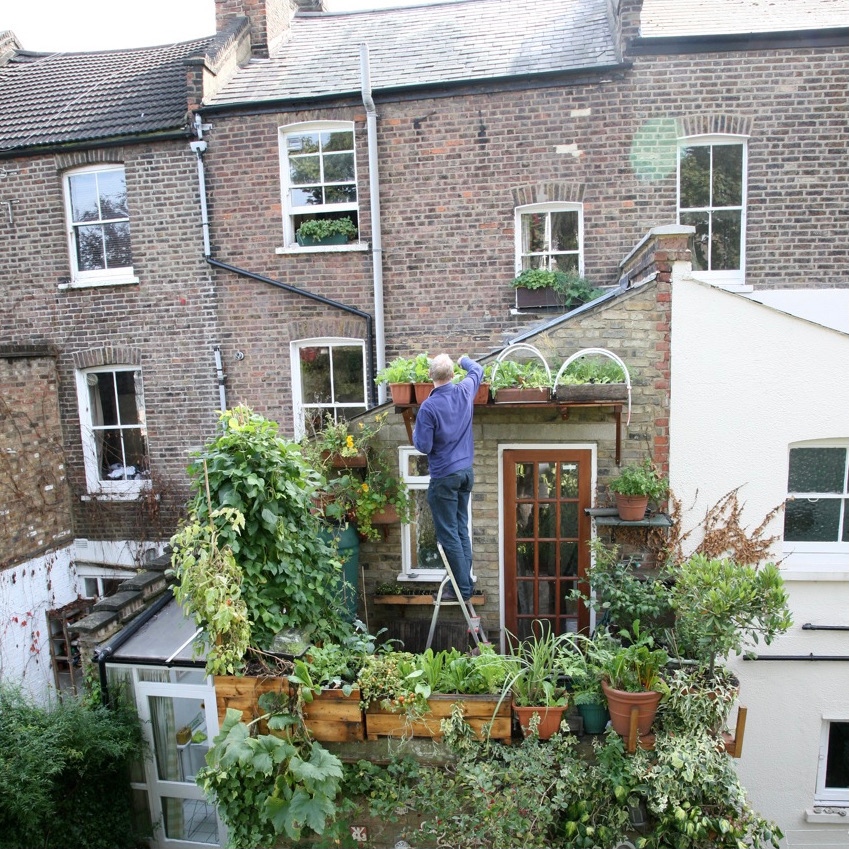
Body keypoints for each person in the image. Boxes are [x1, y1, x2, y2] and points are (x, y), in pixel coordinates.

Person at [412, 353, 483, 601]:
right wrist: (464, 359)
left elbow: (424, 446)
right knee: (461, 529)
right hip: (466, 474)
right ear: (452, 375)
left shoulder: (428, 408)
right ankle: (463, 584)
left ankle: (461, 589)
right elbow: (477, 370)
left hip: (444, 478)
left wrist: (416, 431)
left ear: (430, 376)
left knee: (449, 534)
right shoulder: (464, 391)